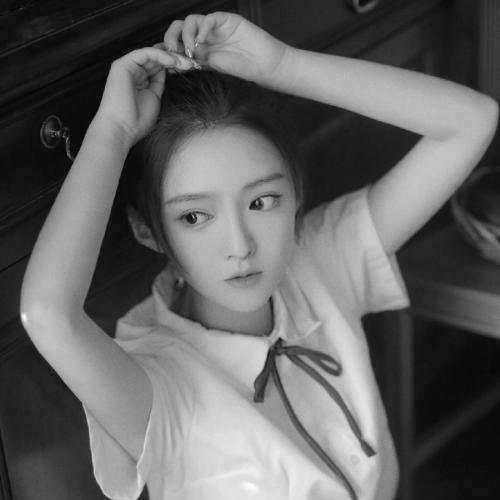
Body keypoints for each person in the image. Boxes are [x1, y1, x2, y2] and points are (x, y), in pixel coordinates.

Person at [20, 11, 498, 500]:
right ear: (148, 230)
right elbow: (48, 314)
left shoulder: (318, 261)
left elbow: (470, 122)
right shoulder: (159, 386)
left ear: (296, 195)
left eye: (262, 202)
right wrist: (113, 131)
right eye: (194, 216)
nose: (240, 245)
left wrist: (284, 65)